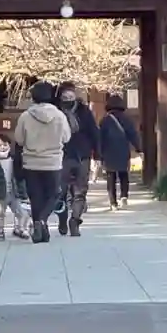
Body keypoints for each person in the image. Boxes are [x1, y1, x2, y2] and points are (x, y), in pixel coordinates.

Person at [13, 80, 70, 244]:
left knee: (36, 197)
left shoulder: (25, 116)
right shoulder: (59, 116)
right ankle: (42, 222)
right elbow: (66, 137)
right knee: (54, 194)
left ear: (33, 97)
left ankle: (40, 231)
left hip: (31, 162)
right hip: (53, 162)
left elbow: (19, 139)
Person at [55, 81, 101, 237]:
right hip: (62, 156)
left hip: (82, 155)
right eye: (65, 95)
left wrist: (97, 154)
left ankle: (75, 221)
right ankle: (62, 218)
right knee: (60, 192)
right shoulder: (56, 112)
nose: (69, 97)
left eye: (71, 94)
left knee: (80, 192)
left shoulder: (83, 111)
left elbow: (94, 132)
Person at [0, 134, 29, 241]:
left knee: (21, 213)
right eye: (0, 145)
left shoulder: (14, 160)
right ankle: (0, 232)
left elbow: (20, 176)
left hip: (13, 192)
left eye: (5, 145)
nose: (2, 147)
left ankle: (19, 229)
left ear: (9, 146)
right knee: (0, 213)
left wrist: (22, 190)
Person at [98, 94, 141, 210]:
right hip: (123, 150)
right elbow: (133, 134)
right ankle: (124, 196)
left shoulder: (105, 120)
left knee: (110, 177)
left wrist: (99, 153)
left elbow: (100, 138)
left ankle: (113, 202)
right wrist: (138, 148)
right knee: (123, 174)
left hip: (108, 152)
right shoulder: (127, 119)